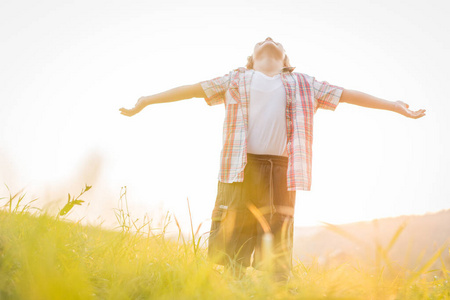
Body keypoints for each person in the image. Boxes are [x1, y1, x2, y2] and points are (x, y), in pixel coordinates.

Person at [119, 37, 426, 282]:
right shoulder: (237, 78)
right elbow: (190, 89)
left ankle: (275, 285)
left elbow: (348, 95)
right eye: (261, 43)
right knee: (233, 231)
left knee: (278, 233)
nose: (268, 39)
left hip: (283, 169)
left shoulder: (305, 83)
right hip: (241, 166)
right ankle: (234, 280)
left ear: (286, 61)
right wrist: (147, 100)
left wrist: (393, 105)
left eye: (276, 42)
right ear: (251, 59)